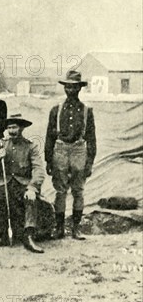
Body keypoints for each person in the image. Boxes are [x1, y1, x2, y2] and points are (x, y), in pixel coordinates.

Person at [44, 70, 96, 240]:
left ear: (79, 88)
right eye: (68, 87)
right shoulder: (56, 110)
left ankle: (76, 228)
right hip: (59, 150)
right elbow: (49, 137)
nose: (70, 90)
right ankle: (59, 228)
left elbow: (91, 139)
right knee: (60, 191)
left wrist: (89, 163)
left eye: (74, 87)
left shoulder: (87, 111)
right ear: (64, 88)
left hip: (79, 150)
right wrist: (49, 160)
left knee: (78, 191)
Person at [0, 114, 45, 254]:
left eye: (14, 127)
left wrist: (32, 187)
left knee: (30, 199)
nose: (11, 131)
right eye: (9, 128)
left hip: (23, 183)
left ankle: (29, 237)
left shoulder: (30, 146)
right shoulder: (2, 143)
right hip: (4, 183)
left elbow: (38, 170)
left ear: (22, 128)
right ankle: (2, 235)